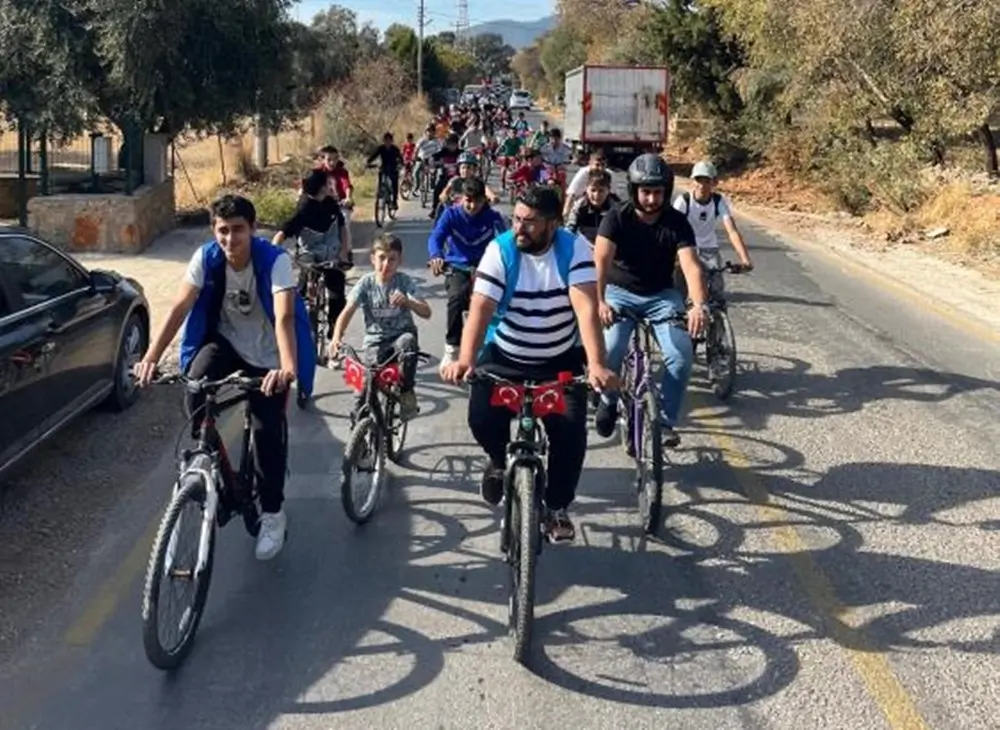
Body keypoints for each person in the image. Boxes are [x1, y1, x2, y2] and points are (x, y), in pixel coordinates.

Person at [133, 194, 316, 561]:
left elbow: (283, 317)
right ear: (213, 230)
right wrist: (150, 358)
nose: (230, 239)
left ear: (252, 229)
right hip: (228, 343)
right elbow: (180, 307)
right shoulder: (207, 257)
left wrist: (286, 366)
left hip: (269, 354)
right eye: (222, 231)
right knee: (195, 384)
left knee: (267, 433)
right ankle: (204, 457)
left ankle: (273, 514)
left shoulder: (274, 260)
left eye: (238, 231)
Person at [440, 186, 617, 542]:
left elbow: (585, 308)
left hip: (559, 361)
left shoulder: (574, 248)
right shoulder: (500, 250)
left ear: (552, 225)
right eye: (517, 219)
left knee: (569, 433)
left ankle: (556, 507)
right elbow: (481, 307)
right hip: (505, 356)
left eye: (530, 222)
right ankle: (496, 459)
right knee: (482, 418)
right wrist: (465, 359)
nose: (519, 228)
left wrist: (597, 364)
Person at [593, 153, 708, 448]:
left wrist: (698, 305)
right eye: (645, 191)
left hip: (662, 296)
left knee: (681, 356)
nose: (651, 199)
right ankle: (608, 398)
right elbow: (600, 263)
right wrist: (600, 301)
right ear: (634, 191)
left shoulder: (677, 222)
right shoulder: (615, 217)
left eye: (658, 192)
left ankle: (665, 422)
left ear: (666, 192)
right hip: (619, 293)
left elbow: (691, 265)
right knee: (612, 348)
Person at [329, 233, 431, 420]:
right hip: (375, 342)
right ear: (373, 259)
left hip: (401, 338)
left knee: (408, 343)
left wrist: (409, 303)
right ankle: (360, 436)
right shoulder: (365, 284)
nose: (386, 264)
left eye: (392, 259)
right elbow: (347, 312)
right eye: (381, 258)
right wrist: (336, 338)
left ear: (399, 261)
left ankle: (407, 392)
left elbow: (427, 312)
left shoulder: (404, 282)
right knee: (362, 389)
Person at [428, 177, 508, 371]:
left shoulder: (493, 218)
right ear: (460, 198)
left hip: (486, 268)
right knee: (456, 297)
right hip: (458, 266)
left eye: (477, 201)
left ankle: (500, 346)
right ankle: (452, 348)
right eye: (468, 200)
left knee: (500, 301)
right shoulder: (450, 215)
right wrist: (436, 255)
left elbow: (507, 242)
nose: (472, 206)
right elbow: (436, 238)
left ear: (484, 201)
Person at [271, 170, 351, 359]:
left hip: (332, 255)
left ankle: (334, 333)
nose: (331, 186)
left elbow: (342, 228)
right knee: (298, 295)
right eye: (328, 183)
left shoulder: (331, 204)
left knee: (337, 296)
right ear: (322, 187)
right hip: (309, 255)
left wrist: (343, 252)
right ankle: (290, 331)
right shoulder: (304, 207)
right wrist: (272, 254)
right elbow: (283, 232)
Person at [672, 160, 754, 303]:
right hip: (686, 248)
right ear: (693, 181)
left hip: (709, 248)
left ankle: (719, 322)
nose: (702, 185)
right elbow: (671, 229)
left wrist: (745, 260)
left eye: (707, 181)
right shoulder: (683, 201)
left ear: (714, 183)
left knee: (717, 291)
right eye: (699, 180)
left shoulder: (718, 201)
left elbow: (732, 231)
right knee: (680, 292)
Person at [314, 145, 355, 254]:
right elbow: (309, 186)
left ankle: (347, 251)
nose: (332, 162)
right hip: (322, 206)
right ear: (322, 160)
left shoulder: (342, 172)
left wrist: (348, 198)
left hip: (340, 205)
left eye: (335, 159)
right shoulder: (317, 173)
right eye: (329, 159)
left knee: (345, 223)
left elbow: (346, 185)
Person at [565, 168, 619, 245]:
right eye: (593, 190)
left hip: (607, 246)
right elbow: (569, 229)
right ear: (586, 189)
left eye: (601, 191)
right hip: (583, 245)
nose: (596, 195)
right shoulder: (580, 206)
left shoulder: (615, 209)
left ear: (608, 190)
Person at [366, 132, 404, 209]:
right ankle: (381, 193)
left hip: (393, 167)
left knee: (394, 183)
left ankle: (394, 201)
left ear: (391, 141)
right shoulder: (381, 148)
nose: (387, 142)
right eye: (386, 140)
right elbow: (373, 155)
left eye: (389, 140)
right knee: (380, 178)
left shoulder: (395, 149)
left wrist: (400, 164)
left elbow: (400, 159)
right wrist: (368, 162)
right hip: (384, 167)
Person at [563, 150, 608, 216]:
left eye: (603, 165)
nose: (600, 168)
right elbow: (571, 194)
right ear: (590, 164)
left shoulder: (609, 175)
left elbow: (614, 195)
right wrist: (566, 212)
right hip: (584, 205)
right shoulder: (583, 173)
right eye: (597, 165)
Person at [428, 134, 463, 219]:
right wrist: (434, 163)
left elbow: (468, 159)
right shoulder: (443, 152)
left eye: (453, 144)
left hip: (459, 179)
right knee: (437, 190)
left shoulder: (461, 153)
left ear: (457, 144)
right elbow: (433, 158)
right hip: (445, 178)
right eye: (449, 144)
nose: (451, 146)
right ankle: (434, 208)